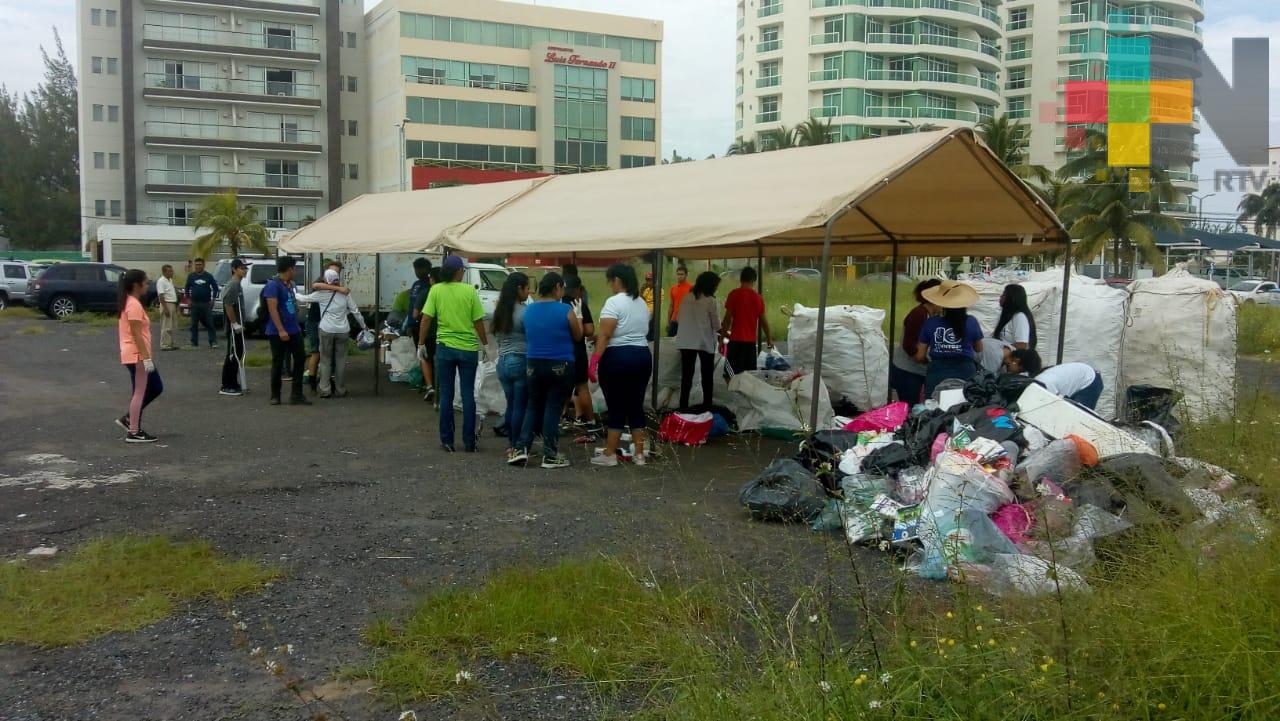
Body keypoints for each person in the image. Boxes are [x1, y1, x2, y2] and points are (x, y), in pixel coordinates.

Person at [421, 255, 488, 452]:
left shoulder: (436, 290)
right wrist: (484, 344)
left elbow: (426, 318)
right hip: (468, 349)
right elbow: (478, 322)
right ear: (459, 271)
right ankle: (469, 442)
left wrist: (421, 343)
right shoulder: (469, 291)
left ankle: (447, 441)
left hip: (445, 348)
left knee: (447, 395)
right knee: (468, 394)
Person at [590, 264, 653, 467]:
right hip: (642, 356)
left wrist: (594, 361)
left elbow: (606, 334)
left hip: (618, 357)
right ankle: (639, 454)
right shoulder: (641, 303)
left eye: (611, 281)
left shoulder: (613, 302)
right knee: (636, 405)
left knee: (616, 405)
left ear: (617, 280)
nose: (610, 285)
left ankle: (609, 454)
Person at [519, 273, 583, 469]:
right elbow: (578, 335)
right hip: (559, 364)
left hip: (533, 363)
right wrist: (578, 315)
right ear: (557, 287)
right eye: (562, 288)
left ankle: (521, 449)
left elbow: (527, 333)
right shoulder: (565, 310)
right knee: (553, 407)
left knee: (532, 405)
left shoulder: (528, 310)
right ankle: (550, 454)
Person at [296, 268, 369, 398]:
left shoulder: (322, 294)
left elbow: (303, 298)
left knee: (325, 360)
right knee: (341, 361)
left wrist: (293, 291)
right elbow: (355, 311)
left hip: (326, 330)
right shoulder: (345, 293)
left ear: (326, 280)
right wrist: (364, 326)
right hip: (343, 331)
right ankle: (340, 390)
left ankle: (325, 390)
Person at [115, 269, 163, 443]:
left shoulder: (129, 302)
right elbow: (136, 334)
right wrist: (146, 357)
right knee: (140, 392)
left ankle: (132, 424)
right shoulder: (133, 304)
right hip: (136, 355)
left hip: (134, 354)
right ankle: (134, 431)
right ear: (137, 285)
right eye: (146, 282)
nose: (148, 285)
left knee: (142, 390)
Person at [914, 280, 984, 398]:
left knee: (934, 409)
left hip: (937, 373)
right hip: (966, 372)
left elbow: (920, 355)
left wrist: (932, 361)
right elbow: (979, 348)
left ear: (942, 302)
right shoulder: (971, 321)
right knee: (965, 409)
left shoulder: (931, 322)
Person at [492, 272, 531, 465]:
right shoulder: (525, 312)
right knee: (520, 407)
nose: (529, 291)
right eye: (527, 287)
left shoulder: (500, 310)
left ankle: (511, 444)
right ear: (519, 289)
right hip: (520, 361)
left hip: (502, 363)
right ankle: (517, 446)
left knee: (511, 405)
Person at [263, 256, 310, 406]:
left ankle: (296, 394)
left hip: (294, 328)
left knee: (300, 359)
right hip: (277, 331)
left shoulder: (289, 285)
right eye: (294, 269)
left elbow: (290, 303)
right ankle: (275, 395)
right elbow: (272, 309)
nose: (295, 271)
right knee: (278, 361)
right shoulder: (273, 285)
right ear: (289, 269)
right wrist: (281, 330)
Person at [562, 275, 603, 436]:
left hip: (560, 351)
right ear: (578, 290)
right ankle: (592, 421)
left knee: (561, 387)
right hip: (577, 351)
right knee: (582, 386)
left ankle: (562, 417)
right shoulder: (578, 304)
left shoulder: (558, 304)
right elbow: (590, 330)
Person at [674, 271, 722, 409]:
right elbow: (716, 325)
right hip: (704, 341)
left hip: (686, 341)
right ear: (711, 285)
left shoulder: (686, 298)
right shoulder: (711, 301)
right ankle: (707, 405)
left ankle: (683, 406)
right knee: (707, 375)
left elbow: (678, 319)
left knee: (686, 376)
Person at [889, 279, 942, 404]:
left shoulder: (932, 316)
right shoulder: (918, 314)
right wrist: (925, 360)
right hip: (908, 371)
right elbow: (909, 345)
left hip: (917, 370)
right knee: (909, 407)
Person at [1005, 349, 1105, 410]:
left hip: (1090, 380)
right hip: (1085, 375)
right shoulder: (1040, 380)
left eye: (1007, 365)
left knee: (1080, 418)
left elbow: (1054, 404)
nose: (1007, 369)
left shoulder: (1044, 383)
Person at [303, 261, 349, 391]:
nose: (336, 274)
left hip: (328, 324)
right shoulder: (321, 282)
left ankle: (327, 382)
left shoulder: (335, 282)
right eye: (333, 271)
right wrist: (338, 288)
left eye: (338, 271)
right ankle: (313, 382)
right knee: (316, 352)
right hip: (315, 321)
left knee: (328, 355)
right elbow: (316, 285)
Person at [721, 266, 774, 373]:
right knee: (749, 375)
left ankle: (734, 390)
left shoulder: (733, 294)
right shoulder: (758, 298)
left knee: (729, 374)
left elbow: (727, 319)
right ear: (754, 280)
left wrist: (722, 338)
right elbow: (764, 322)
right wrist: (769, 339)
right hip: (750, 344)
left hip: (735, 341)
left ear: (741, 279)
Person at [406, 257, 437, 401]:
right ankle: (427, 382)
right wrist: (409, 324)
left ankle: (431, 384)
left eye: (420, 269)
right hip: (415, 325)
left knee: (427, 355)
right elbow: (412, 305)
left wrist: (417, 320)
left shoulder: (429, 287)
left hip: (425, 325)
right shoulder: (416, 285)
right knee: (422, 355)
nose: (417, 272)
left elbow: (419, 310)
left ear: (427, 269)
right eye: (416, 269)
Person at [218, 259, 248, 396]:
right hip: (233, 327)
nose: (245, 270)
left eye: (245, 268)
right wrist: (234, 323)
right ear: (234, 269)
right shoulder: (234, 284)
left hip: (237, 325)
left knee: (238, 353)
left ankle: (233, 382)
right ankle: (227, 385)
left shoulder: (237, 284)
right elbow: (228, 304)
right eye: (242, 268)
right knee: (233, 354)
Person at [185, 258, 219, 348]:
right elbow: (187, 288)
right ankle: (194, 342)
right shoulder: (191, 276)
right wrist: (188, 300)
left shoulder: (208, 276)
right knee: (194, 324)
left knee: (210, 324)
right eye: (196, 264)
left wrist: (213, 299)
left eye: (200, 264)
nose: (198, 266)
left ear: (203, 265)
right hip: (194, 304)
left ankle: (213, 342)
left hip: (206, 304)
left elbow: (216, 288)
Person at [993, 283, 1037, 350]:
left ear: (1012, 299)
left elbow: (1021, 345)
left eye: (1004, 295)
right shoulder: (1008, 317)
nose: (1000, 296)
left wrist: (1000, 351)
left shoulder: (1020, 317)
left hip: (1012, 358)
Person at [155, 264, 178, 351]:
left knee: (171, 325)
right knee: (166, 325)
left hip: (172, 304)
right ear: (164, 272)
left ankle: (170, 343)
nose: (172, 272)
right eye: (169, 271)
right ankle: (164, 345)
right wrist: (165, 308)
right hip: (166, 304)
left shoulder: (170, 280)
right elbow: (161, 295)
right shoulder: (161, 281)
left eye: (172, 271)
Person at [666, 264, 691, 337]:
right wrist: (668, 322)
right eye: (678, 274)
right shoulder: (673, 288)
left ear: (686, 275)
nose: (680, 276)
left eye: (682, 274)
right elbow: (671, 306)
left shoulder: (691, 288)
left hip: (685, 320)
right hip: (674, 319)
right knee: (670, 341)